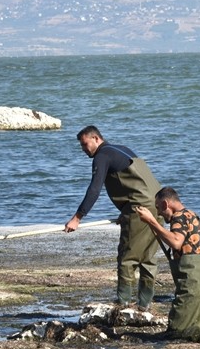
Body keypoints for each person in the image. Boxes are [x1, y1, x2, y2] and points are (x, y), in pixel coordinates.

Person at [64, 126, 161, 308]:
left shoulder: (102, 156)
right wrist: (125, 212)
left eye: (85, 144)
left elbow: (94, 189)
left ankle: (123, 304)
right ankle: (145, 304)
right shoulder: (122, 149)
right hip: (157, 204)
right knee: (148, 257)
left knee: (127, 257)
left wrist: (77, 218)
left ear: (96, 138)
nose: (83, 149)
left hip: (138, 208)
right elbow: (137, 184)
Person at [134, 187, 200, 342]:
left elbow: (176, 242)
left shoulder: (179, 217)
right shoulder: (198, 219)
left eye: (158, 208)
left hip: (193, 292)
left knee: (176, 334)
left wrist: (151, 221)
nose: (159, 213)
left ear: (165, 204)